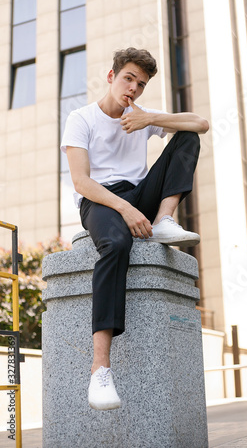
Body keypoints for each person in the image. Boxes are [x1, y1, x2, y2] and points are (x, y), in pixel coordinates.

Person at [60, 47, 209, 411]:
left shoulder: (140, 116)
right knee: (115, 243)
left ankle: (164, 220)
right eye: (128, 79)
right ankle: (100, 369)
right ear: (111, 77)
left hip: (139, 193)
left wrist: (150, 119)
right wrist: (125, 209)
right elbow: (81, 182)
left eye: (140, 84)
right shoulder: (81, 118)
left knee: (186, 136)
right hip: (100, 199)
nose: (133, 88)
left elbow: (200, 124)